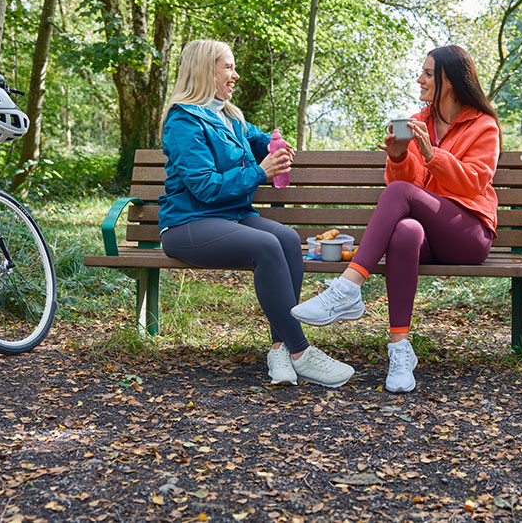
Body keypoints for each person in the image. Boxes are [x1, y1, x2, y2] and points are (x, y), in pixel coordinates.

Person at [291, 45, 500, 393]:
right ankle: (400, 351)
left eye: (429, 73)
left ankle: (347, 288)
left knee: (398, 196)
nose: (420, 78)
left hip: (467, 232)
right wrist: (399, 156)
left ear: (450, 81)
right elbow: (409, 186)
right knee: (404, 231)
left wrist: (435, 156)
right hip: (427, 236)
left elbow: (475, 181)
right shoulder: (418, 123)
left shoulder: (484, 126)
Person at [159, 39, 355, 388]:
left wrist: (273, 144)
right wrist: (259, 173)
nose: (235, 75)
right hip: (189, 224)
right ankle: (301, 352)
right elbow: (204, 187)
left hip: (231, 215)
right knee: (265, 246)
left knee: (286, 238)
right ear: (207, 70)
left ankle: (278, 348)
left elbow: (255, 137)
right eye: (228, 67)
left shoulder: (229, 116)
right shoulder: (183, 121)